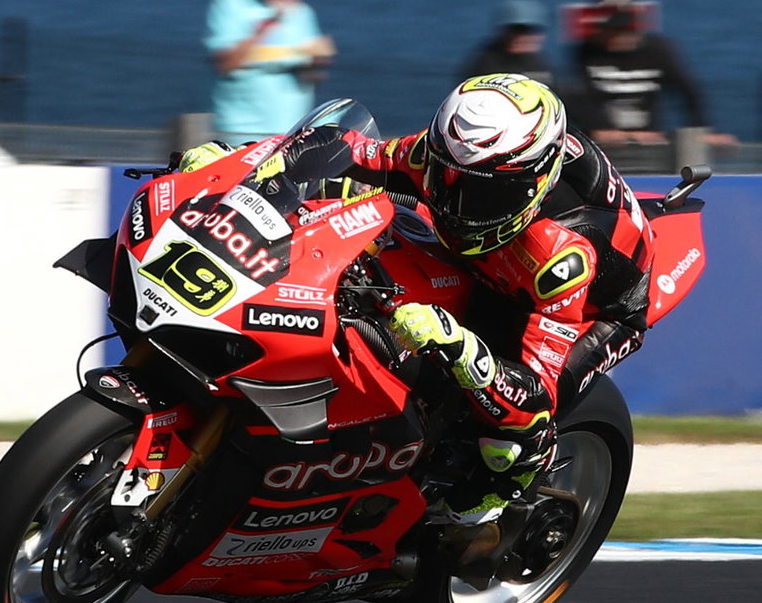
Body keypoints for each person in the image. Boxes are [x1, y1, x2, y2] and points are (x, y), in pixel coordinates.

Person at [183, 74, 654, 524]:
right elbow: (341, 149)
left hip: (595, 307)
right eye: (446, 178)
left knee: (512, 434)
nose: (453, 203)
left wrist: (463, 350)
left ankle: (492, 497)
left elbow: (534, 391)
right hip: (487, 258)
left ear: (533, 184)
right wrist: (238, 161)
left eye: (481, 196)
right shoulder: (446, 155)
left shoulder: (560, 258)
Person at [205, 0, 334, 147]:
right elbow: (226, 64)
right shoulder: (228, 7)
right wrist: (269, 24)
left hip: (289, 136)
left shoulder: (302, 13)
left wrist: (318, 61)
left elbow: (311, 77)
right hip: (239, 136)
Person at [571, 0, 736, 149]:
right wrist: (601, 129)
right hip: (603, 145)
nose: (615, 37)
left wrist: (700, 131)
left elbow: (689, 92)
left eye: (621, 31)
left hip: (649, 143)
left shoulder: (658, 50)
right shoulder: (586, 52)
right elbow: (579, 97)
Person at [455, 0, 558, 90]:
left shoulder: (539, 64)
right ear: (503, 32)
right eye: (517, 29)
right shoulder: (485, 66)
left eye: (532, 31)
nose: (524, 37)